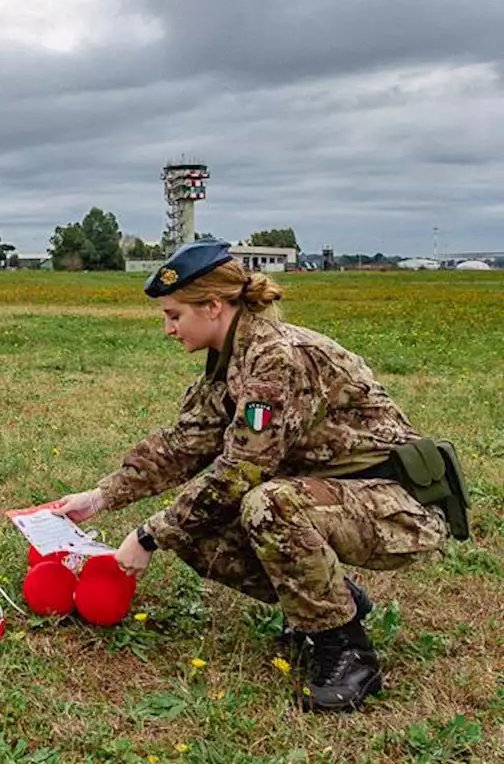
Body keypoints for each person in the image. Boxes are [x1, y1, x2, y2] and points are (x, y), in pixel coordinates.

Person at [52, 239, 469, 713]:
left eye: (174, 315)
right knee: (194, 525)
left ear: (212, 307)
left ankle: (348, 652)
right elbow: (185, 442)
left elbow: (240, 471)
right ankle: (329, 602)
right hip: (339, 495)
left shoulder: (274, 359)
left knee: (267, 505)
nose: (167, 329)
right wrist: (101, 496)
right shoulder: (231, 356)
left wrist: (147, 537)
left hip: (399, 505)